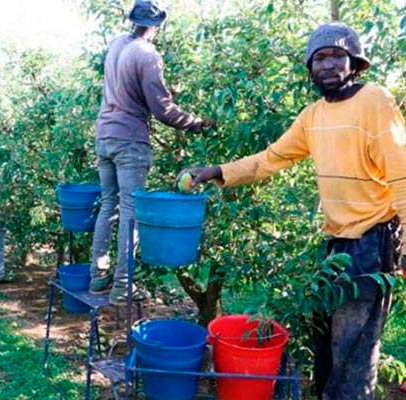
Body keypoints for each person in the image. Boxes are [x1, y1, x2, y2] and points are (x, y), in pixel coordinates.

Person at [177, 22, 406, 400]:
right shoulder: (313, 116)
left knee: (354, 348)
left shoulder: (375, 102)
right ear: (310, 68)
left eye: (337, 56)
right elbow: (270, 159)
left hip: (373, 240)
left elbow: (401, 175)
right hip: (337, 245)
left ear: (355, 63)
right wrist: (216, 172)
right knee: (327, 341)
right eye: (320, 58)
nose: (328, 64)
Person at [89, 0, 216, 306]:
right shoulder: (147, 55)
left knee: (109, 206)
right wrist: (197, 123)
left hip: (104, 134)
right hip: (129, 140)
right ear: (157, 25)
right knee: (132, 211)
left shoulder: (118, 44)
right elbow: (162, 108)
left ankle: (97, 277)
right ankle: (122, 288)